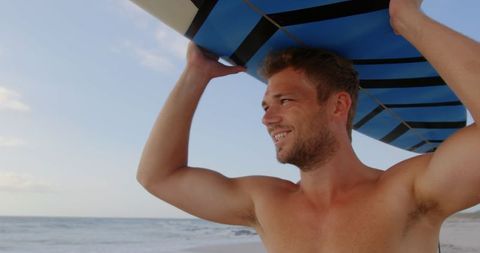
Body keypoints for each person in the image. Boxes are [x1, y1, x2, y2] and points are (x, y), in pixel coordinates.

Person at [137, 0, 480, 252]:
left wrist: (408, 19)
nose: (267, 118)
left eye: (285, 101)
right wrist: (195, 75)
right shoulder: (267, 203)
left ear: (338, 105)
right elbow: (158, 177)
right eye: (266, 105)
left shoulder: (407, 192)